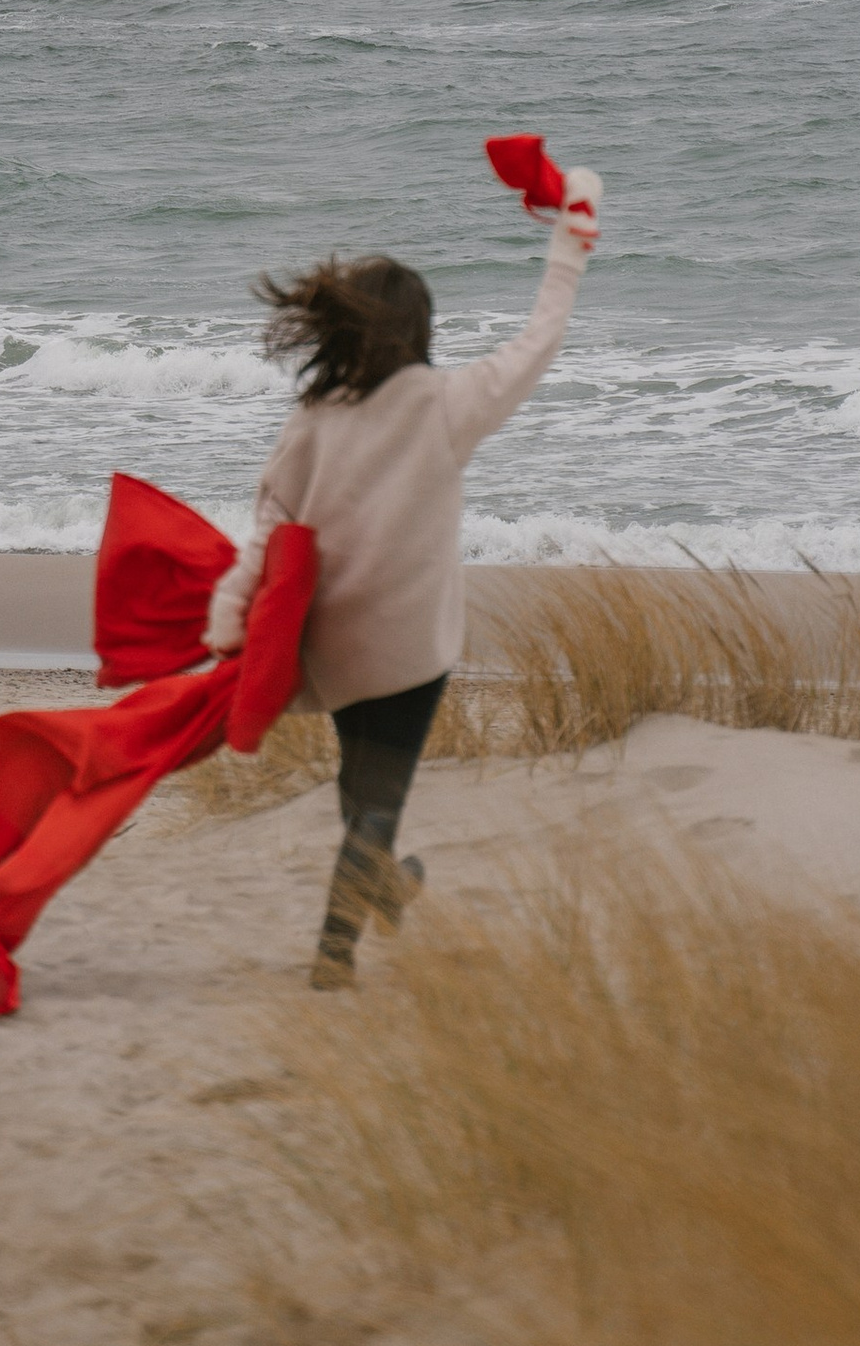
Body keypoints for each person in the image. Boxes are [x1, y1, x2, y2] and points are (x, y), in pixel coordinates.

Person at [206, 164, 603, 989]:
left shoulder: (313, 417)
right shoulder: (443, 403)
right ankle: (333, 958)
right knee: (378, 800)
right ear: (418, 331)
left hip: (336, 648)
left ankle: (392, 885)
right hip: (413, 649)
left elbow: (270, 530)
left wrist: (228, 616)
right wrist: (570, 240)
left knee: (363, 792)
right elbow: (540, 341)